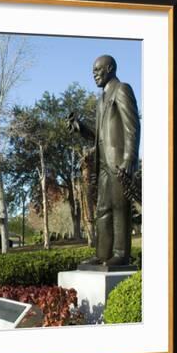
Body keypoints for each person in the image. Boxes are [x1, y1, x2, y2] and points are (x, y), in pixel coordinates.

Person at [67, 55, 140, 266]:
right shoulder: (100, 101)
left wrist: (129, 158)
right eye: (93, 71)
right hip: (103, 164)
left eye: (98, 70)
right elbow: (99, 136)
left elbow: (132, 127)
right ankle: (102, 254)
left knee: (119, 206)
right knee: (103, 209)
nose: (94, 75)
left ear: (110, 68)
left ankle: (121, 254)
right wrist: (80, 127)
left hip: (118, 160)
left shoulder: (122, 89)